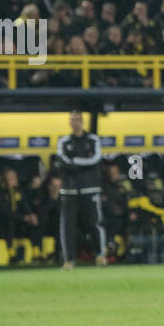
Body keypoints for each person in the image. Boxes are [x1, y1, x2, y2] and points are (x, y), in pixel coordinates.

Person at [55, 110, 107, 268]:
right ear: (69, 122)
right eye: (72, 120)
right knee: (67, 226)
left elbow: (95, 160)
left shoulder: (92, 140)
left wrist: (74, 162)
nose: (75, 122)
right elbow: (61, 161)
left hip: (89, 189)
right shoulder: (63, 141)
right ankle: (69, 260)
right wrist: (81, 163)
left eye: (78, 119)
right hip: (69, 190)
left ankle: (100, 255)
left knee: (94, 224)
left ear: (82, 121)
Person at [0, 167, 29, 263]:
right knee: (10, 222)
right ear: (3, 179)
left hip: (18, 218)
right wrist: (22, 218)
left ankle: (37, 250)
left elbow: (25, 205)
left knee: (37, 220)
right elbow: (3, 212)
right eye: (8, 178)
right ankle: (11, 252)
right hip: (0, 221)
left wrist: (30, 215)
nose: (11, 180)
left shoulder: (18, 190)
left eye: (13, 177)